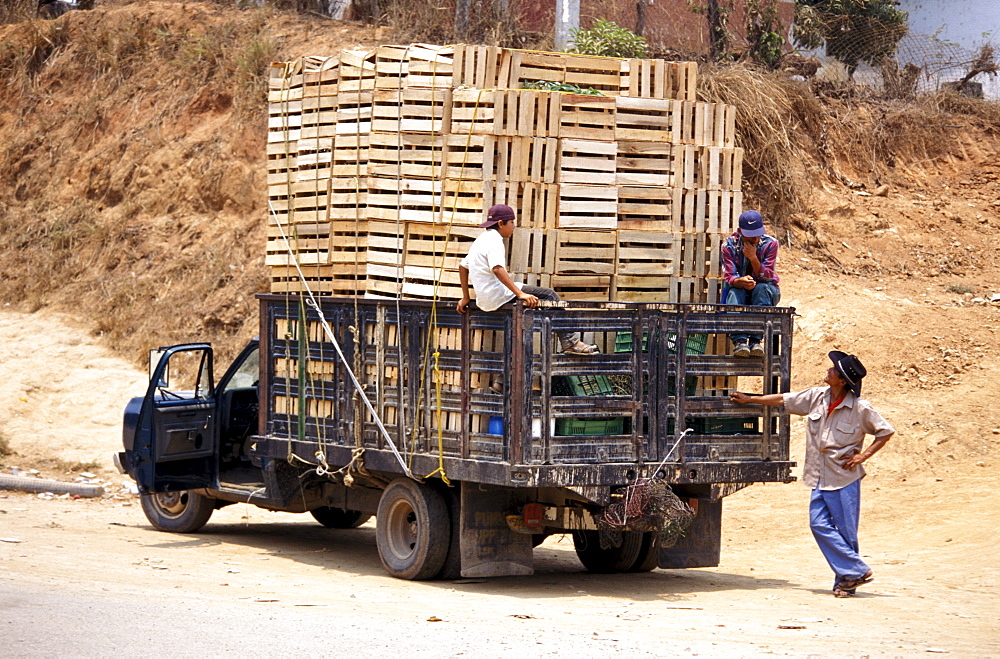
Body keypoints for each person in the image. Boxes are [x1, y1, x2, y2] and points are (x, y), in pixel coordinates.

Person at [730, 351, 895, 598]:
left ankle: (846, 582)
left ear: (842, 380)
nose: (828, 371)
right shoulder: (817, 396)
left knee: (846, 532)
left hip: (843, 478)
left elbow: (885, 432)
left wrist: (863, 456)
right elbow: (784, 400)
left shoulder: (860, 408)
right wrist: (751, 399)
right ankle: (855, 571)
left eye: (833, 370)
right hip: (818, 475)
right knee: (818, 524)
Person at [456, 204, 597, 357]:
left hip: (485, 300)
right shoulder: (494, 240)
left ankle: (504, 378)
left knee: (521, 324)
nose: (514, 227)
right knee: (549, 295)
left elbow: (463, 266)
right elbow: (497, 269)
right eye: (511, 222)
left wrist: (466, 296)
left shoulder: (481, 240)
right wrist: (520, 294)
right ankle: (571, 343)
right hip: (497, 295)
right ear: (501, 223)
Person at [721, 209, 780, 357]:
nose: (754, 240)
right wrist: (740, 281)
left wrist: (753, 258)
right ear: (740, 231)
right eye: (750, 236)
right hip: (741, 292)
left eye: (757, 235)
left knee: (761, 289)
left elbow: (768, 276)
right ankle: (740, 341)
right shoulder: (728, 246)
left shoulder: (771, 244)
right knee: (735, 292)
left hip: (765, 292)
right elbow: (730, 277)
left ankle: (755, 340)